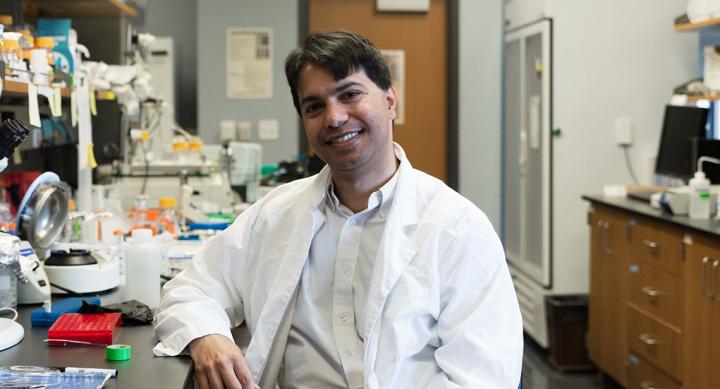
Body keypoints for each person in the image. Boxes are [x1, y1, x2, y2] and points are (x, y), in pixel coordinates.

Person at [154, 30, 523, 389]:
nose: (334, 117)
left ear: (391, 101)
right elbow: (190, 289)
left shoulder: (457, 228)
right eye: (314, 106)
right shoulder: (275, 213)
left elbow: (484, 376)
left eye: (349, 94)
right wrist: (208, 336)